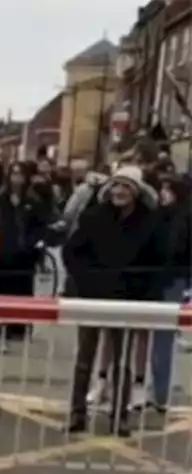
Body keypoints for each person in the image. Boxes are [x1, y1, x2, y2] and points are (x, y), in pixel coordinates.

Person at [63, 166, 168, 436]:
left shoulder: (149, 222)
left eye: (125, 187)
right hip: (93, 298)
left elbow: (158, 262)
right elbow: (73, 252)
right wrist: (87, 281)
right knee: (84, 358)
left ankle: (119, 416)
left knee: (122, 361)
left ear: (135, 192)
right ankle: (77, 413)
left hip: (126, 301)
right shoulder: (94, 216)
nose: (119, 192)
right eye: (115, 186)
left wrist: (141, 291)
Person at [0, 161, 54, 351]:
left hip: (23, 257)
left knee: (17, 294)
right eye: (13, 174)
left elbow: (41, 226)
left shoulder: (34, 201)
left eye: (20, 174)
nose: (17, 178)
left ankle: (14, 330)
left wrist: (32, 244)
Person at [149, 174, 191, 413]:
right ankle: (159, 390)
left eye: (166, 189)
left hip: (168, 281)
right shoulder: (171, 215)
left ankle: (160, 393)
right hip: (172, 281)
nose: (162, 194)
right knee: (161, 339)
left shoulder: (177, 218)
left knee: (162, 340)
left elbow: (173, 250)